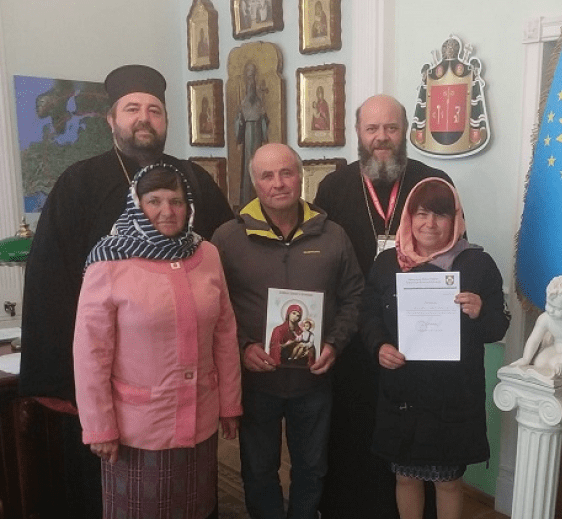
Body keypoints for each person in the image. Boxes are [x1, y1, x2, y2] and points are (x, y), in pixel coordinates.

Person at [19, 64, 234, 518]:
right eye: (132, 108)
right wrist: (62, 380)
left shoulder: (193, 179)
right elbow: (50, 280)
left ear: (166, 120)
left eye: (154, 110)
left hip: (191, 387)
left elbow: (224, 272)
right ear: (111, 120)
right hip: (112, 392)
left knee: (193, 498)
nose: (144, 118)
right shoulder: (78, 182)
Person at [73, 163, 242, 518]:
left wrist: (230, 403)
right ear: (137, 205)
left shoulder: (207, 254)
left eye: (176, 201)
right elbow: (90, 354)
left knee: (197, 509)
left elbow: (225, 334)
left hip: (200, 420)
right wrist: (99, 427)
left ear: (188, 205)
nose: (167, 211)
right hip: (138, 430)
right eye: (154, 201)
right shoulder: (108, 261)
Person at [314, 93, 455, 519]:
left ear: (405, 131)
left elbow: (453, 249)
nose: (382, 137)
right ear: (358, 133)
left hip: (416, 335)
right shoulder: (334, 187)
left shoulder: (431, 182)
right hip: (354, 330)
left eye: (391, 128)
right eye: (372, 128)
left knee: (412, 435)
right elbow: (321, 260)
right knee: (353, 428)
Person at [212, 143, 363, 519]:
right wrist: (243, 346)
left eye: (286, 173)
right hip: (256, 381)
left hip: (314, 380)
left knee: (312, 468)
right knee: (258, 469)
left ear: (300, 177)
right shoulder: (228, 239)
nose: (278, 183)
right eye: (267, 176)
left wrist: (334, 343)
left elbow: (355, 296)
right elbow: (214, 307)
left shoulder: (333, 236)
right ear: (255, 184)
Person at [361, 178, 510, 519]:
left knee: (448, 482)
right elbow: (368, 314)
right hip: (402, 392)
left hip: (452, 396)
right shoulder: (388, 263)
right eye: (422, 214)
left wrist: (480, 312)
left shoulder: (478, 264)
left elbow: (498, 327)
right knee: (405, 476)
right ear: (409, 217)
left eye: (441, 215)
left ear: (456, 219)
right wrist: (379, 345)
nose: (430, 223)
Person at [510, 274, 562, 378]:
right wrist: (526, 359)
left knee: (554, 364)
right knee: (539, 362)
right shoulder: (545, 318)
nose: (551, 310)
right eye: (549, 304)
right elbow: (534, 339)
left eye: (558, 309)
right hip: (555, 349)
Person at [236, 61, 270, 208]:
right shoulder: (243, 102)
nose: (251, 82)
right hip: (247, 137)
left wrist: (264, 122)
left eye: (253, 77)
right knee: (247, 168)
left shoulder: (260, 102)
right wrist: (240, 125)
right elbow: (239, 122)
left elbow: (264, 121)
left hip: (257, 137)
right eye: (249, 77)